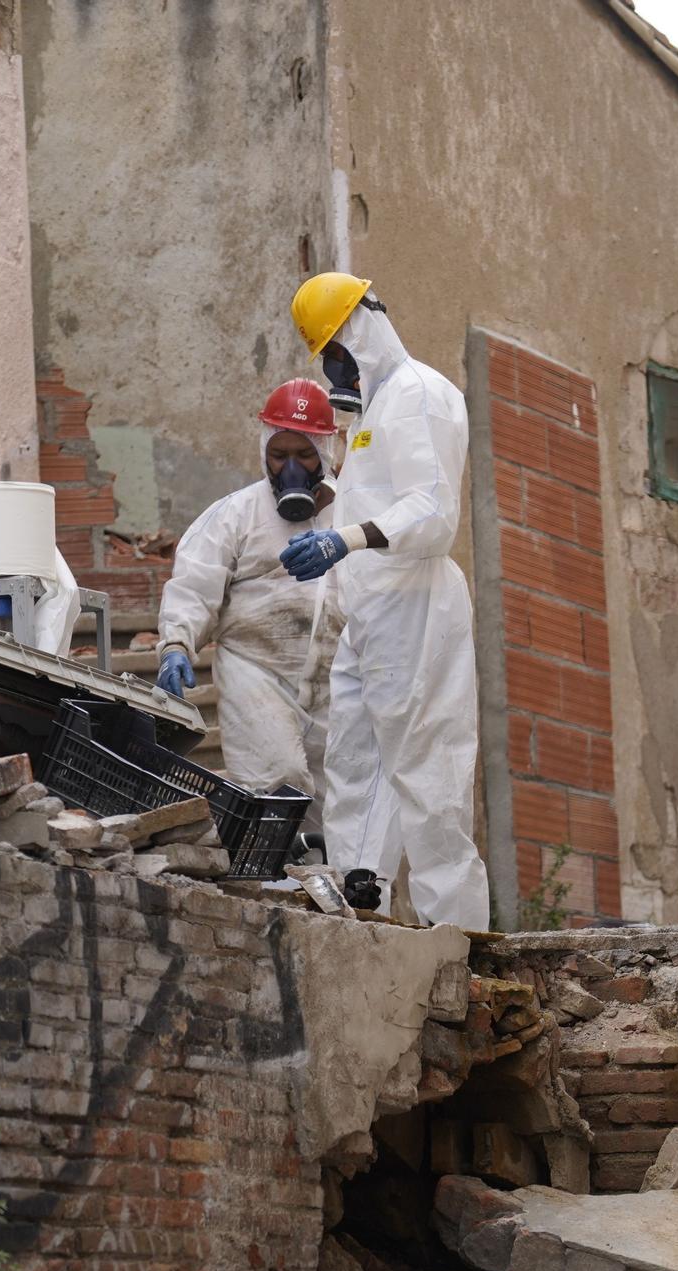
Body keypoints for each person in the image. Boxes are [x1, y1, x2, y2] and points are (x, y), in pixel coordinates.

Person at [279, 273, 489, 931]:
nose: (337, 368)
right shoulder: (369, 416)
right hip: (371, 616)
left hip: (418, 605)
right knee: (353, 763)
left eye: (338, 352)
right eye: (328, 359)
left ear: (362, 328)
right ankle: (364, 907)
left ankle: (461, 945)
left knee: (430, 782)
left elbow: (432, 513)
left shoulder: (421, 395)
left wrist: (344, 540)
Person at [155, 379, 346, 822]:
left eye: (305, 455)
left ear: (326, 451)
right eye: (280, 456)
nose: (291, 468)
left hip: (337, 681)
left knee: (341, 810)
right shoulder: (235, 514)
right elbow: (194, 585)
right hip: (256, 672)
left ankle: (325, 890)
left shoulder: (351, 516)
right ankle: (270, 886)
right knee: (276, 782)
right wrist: (176, 646)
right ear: (264, 451)